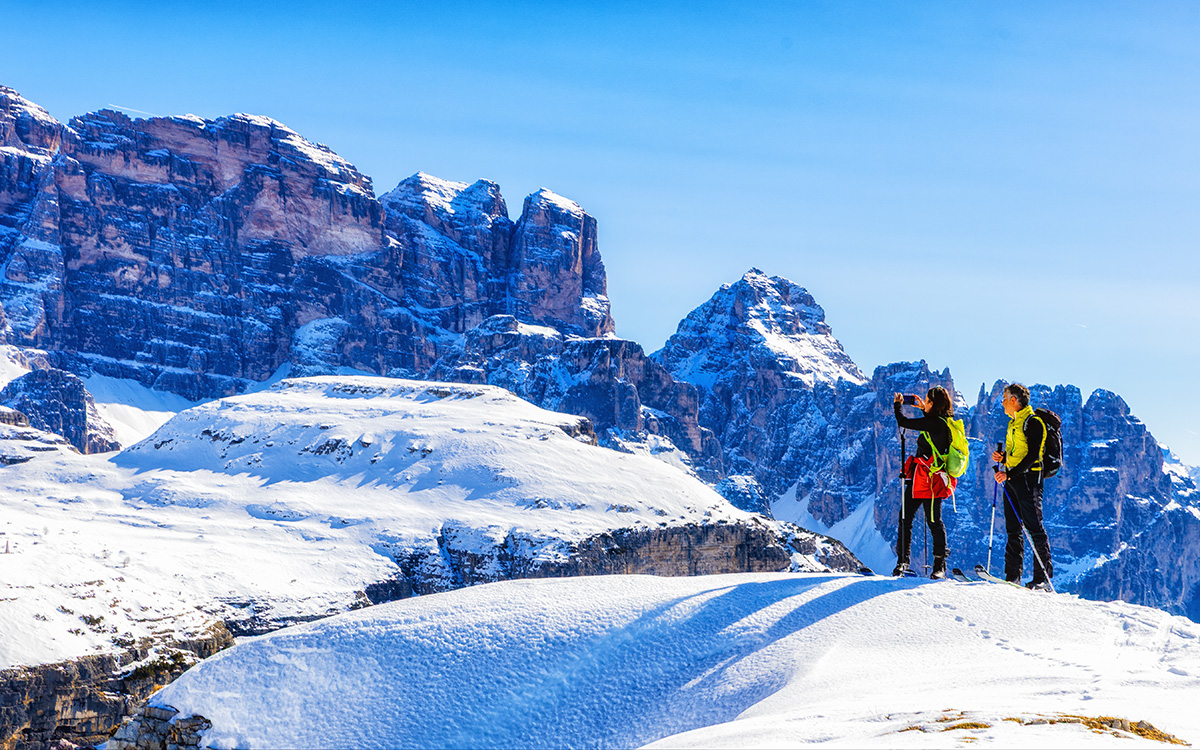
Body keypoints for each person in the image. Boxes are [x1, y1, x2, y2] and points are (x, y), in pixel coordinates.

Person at [991, 383, 1054, 590]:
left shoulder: (1033, 422)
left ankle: (1042, 578)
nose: (1002, 402)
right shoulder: (1014, 423)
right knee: (1013, 529)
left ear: (1014, 400)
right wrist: (1005, 458)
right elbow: (1018, 454)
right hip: (1012, 479)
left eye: (1004, 398)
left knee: (1034, 527)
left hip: (1029, 480)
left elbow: (1032, 456)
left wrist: (1009, 472)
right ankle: (1012, 577)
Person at [892, 386, 957, 578]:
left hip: (929, 479)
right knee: (926, 519)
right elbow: (929, 424)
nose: (924, 402)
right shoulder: (941, 421)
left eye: (927, 401)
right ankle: (936, 566)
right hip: (924, 477)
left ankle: (913, 563)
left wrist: (897, 406)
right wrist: (922, 408)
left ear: (934, 404)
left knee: (922, 520)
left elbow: (903, 422)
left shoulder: (936, 423)